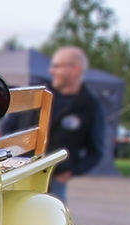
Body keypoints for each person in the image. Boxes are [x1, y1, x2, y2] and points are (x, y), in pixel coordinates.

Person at [45, 45, 107, 203]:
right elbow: (10, 127)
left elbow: (96, 151)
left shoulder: (90, 106)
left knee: (51, 224)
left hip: (54, 183)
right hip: (21, 175)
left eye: (56, 66)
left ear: (75, 69)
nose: (51, 71)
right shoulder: (39, 95)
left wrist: (71, 171)